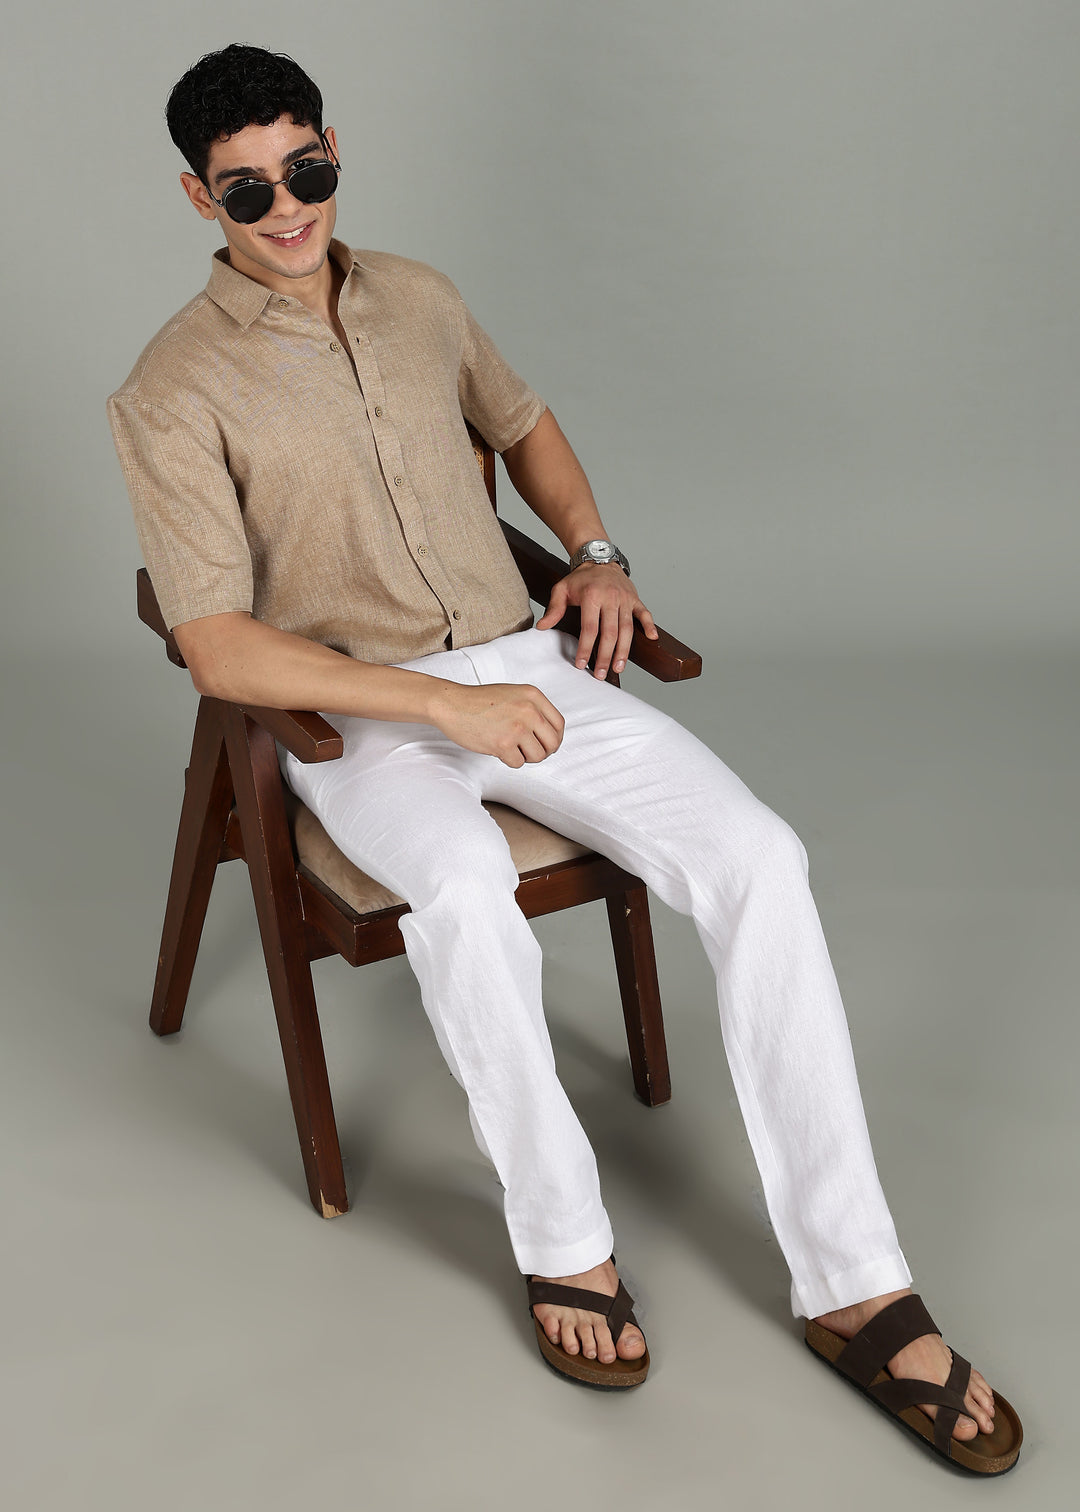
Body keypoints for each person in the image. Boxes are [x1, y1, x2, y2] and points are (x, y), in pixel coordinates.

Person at [108, 43, 1021, 1473]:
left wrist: (593, 555)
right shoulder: (170, 387)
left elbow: (521, 424)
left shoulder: (420, 298)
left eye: (310, 169)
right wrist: (437, 711)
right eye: (248, 188)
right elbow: (220, 646)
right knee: (464, 894)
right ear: (197, 194)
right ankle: (567, 1246)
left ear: (335, 149)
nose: (289, 207)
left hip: (527, 667)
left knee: (760, 859)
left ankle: (854, 1282)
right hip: (358, 718)